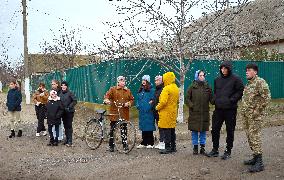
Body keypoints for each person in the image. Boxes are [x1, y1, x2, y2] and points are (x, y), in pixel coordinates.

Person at [206, 61, 244, 160]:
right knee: (214, 129)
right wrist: (215, 100)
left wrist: (231, 100)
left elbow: (240, 91)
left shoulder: (236, 79)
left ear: (229, 69)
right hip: (218, 109)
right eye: (222, 68)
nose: (223, 70)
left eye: (225, 68)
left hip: (230, 109)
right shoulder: (217, 79)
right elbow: (215, 92)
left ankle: (228, 151)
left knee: (230, 130)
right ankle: (215, 149)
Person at [241, 63, 271, 173]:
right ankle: (255, 157)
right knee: (249, 136)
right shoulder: (249, 84)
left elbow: (267, 98)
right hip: (247, 116)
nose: (246, 72)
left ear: (255, 72)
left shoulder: (260, 82)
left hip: (255, 117)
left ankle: (260, 163)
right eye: (246, 70)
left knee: (254, 136)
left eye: (249, 70)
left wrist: (256, 111)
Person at [185, 70, 213, 155]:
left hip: (204, 113)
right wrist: (192, 106)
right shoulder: (192, 86)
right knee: (194, 131)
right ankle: (195, 147)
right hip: (194, 113)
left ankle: (202, 148)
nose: (202, 77)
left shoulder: (207, 86)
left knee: (203, 131)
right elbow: (187, 98)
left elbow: (212, 98)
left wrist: (217, 101)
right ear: (196, 76)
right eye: (200, 75)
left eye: (203, 75)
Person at [103, 76, 134, 152]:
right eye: (121, 80)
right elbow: (107, 96)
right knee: (113, 129)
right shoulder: (113, 89)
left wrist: (129, 103)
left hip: (124, 113)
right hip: (115, 113)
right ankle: (111, 146)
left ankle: (125, 145)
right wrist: (106, 100)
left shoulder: (128, 91)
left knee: (124, 130)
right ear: (118, 82)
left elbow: (132, 99)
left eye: (124, 80)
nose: (123, 82)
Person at [156, 72, 179, 154]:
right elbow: (178, 101)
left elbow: (163, 102)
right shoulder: (176, 88)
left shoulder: (166, 89)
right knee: (172, 130)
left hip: (165, 112)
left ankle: (167, 147)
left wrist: (157, 107)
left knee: (166, 130)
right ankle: (173, 146)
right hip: (173, 112)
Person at [136, 75, 156, 149]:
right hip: (142, 112)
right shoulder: (141, 90)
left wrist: (148, 106)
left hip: (149, 112)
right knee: (143, 127)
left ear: (148, 81)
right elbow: (138, 99)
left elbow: (153, 100)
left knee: (149, 127)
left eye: (145, 80)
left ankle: (150, 142)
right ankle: (144, 142)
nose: (143, 81)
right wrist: (138, 106)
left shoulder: (151, 90)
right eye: (143, 80)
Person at [58, 81, 77, 147]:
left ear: (67, 86)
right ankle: (67, 139)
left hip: (69, 112)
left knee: (69, 126)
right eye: (62, 85)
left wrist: (69, 107)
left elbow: (74, 101)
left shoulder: (70, 93)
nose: (63, 86)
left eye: (64, 85)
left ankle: (70, 141)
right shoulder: (60, 93)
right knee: (65, 126)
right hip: (63, 112)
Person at [153, 75, 165, 150]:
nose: (156, 82)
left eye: (158, 80)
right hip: (156, 112)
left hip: (160, 111)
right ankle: (161, 141)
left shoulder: (163, 89)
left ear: (162, 80)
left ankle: (163, 142)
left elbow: (162, 101)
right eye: (155, 80)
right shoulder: (157, 89)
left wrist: (157, 107)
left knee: (162, 127)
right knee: (159, 127)